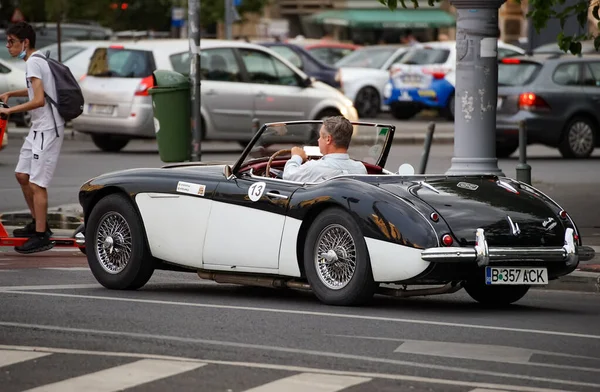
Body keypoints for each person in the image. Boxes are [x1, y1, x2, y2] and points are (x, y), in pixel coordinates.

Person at [0, 22, 65, 254]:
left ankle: (41, 235)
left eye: (12, 42)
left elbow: (38, 100)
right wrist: (11, 94)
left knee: (37, 183)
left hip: (48, 129)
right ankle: (38, 222)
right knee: (21, 175)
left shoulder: (35, 62)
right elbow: (36, 91)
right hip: (38, 128)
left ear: (25, 43)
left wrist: (10, 110)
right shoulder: (34, 62)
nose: (8, 46)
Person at [283, 116, 367, 183]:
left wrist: (296, 157)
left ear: (328, 139)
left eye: (320, 136)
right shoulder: (360, 169)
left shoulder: (314, 168)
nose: (318, 140)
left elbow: (288, 176)